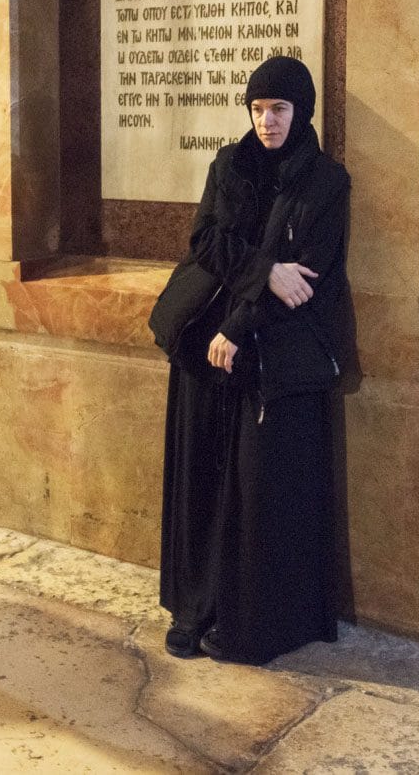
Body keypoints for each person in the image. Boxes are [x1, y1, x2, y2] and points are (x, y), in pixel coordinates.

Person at [149, 56, 351, 665]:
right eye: (259, 109)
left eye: (279, 109)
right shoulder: (227, 164)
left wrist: (239, 324)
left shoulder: (325, 181)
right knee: (205, 477)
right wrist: (263, 270)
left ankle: (248, 620)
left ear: (301, 111)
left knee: (255, 487)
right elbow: (205, 240)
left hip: (274, 348)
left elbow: (308, 278)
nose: (267, 121)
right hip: (205, 344)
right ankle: (196, 605)